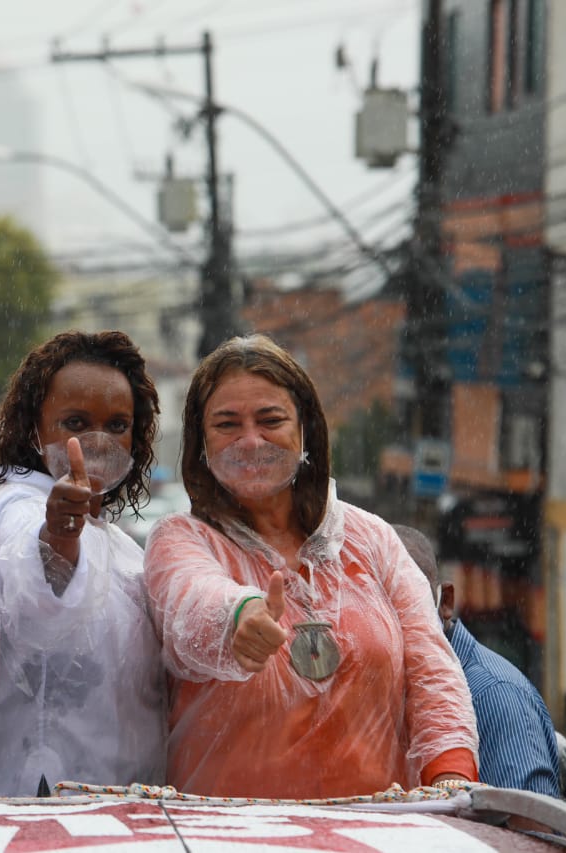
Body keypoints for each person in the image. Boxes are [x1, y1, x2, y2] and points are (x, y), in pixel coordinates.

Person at [144, 334, 479, 798]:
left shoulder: (374, 540)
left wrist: (451, 780)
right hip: (227, 827)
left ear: (306, 430)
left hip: (372, 827)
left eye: (270, 420)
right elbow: (192, 604)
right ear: (201, 443)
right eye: (226, 424)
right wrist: (238, 616)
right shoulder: (181, 538)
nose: (250, 441)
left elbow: (432, 672)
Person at [0, 331, 167, 796]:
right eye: (76, 422)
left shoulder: (121, 545)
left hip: (116, 803)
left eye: (118, 425)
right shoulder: (11, 510)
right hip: (29, 798)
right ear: (33, 429)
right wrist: (59, 534)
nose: (98, 441)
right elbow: (38, 594)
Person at [394, 524, 561, 798]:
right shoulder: (386, 691)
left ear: (445, 602)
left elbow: (529, 820)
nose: (394, 616)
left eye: (409, 599)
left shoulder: (495, 696)